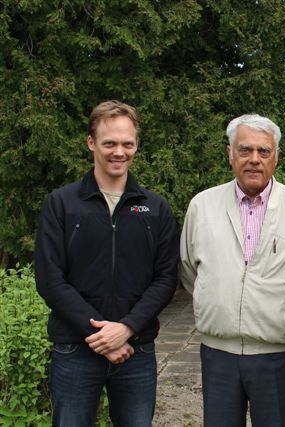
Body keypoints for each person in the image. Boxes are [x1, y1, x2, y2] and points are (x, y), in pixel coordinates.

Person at [35, 100, 180, 426]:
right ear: (91, 143)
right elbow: (49, 278)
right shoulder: (61, 204)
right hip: (75, 349)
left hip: (137, 350)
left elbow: (166, 278)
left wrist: (126, 328)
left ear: (136, 145)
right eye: (109, 143)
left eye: (127, 144)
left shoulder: (155, 208)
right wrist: (99, 334)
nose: (119, 152)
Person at [179, 113, 285, 427]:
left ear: (276, 157)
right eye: (245, 150)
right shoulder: (201, 206)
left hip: (276, 354)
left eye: (263, 151)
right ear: (230, 153)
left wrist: (282, 312)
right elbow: (190, 270)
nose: (254, 159)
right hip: (218, 353)